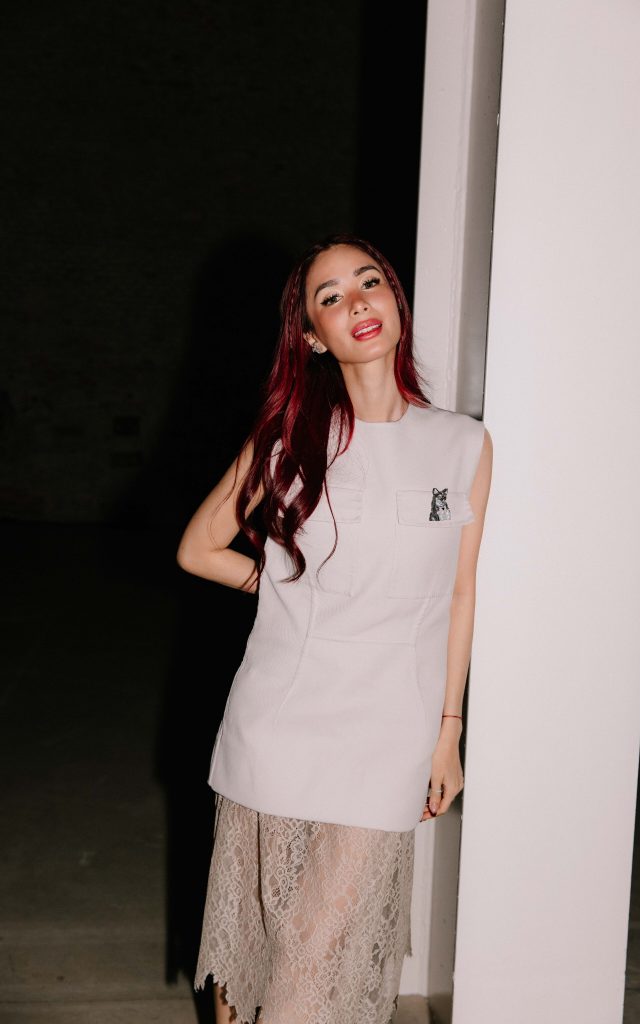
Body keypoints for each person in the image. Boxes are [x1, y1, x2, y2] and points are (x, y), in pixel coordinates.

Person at [176, 233, 493, 1024]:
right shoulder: (290, 436)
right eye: (329, 296)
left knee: (317, 946)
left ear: (393, 301)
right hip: (282, 718)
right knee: (255, 942)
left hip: (390, 727)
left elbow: (459, 593)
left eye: (368, 281)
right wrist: (284, 584)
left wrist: (449, 730)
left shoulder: (461, 443)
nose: (356, 301)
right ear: (312, 336)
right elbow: (198, 548)